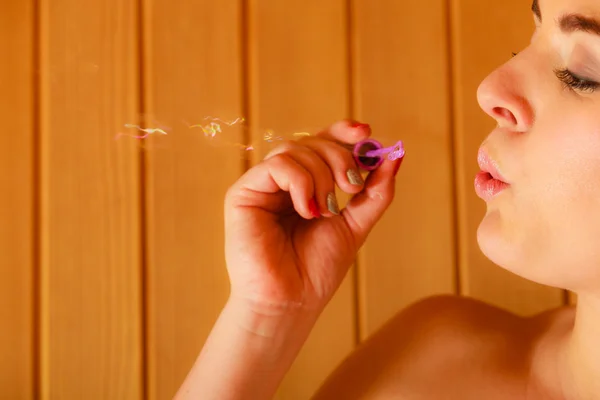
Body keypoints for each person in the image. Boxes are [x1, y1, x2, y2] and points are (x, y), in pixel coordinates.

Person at [175, 0, 600, 398]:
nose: (490, 88)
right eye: (532, 34)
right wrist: (264, 318)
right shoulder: (433, 364)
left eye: (583, 72)